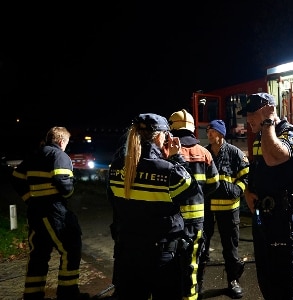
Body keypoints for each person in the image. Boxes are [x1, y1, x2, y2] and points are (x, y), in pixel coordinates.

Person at [107, 113, 203, 300]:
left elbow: (113, 203)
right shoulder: (168, 171)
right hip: (162, 256)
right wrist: (177, 159)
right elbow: (192, 191)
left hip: (128, 254)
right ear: (161, 136)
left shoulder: (116, 167)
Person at [11, 126, 90, 300]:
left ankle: (32, 295)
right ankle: (68, 293)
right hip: (54, 211)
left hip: (35, 211)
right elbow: (63, 182)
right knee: (71, 247)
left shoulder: (34, 154)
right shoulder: (59, 155)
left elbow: (16, 178)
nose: (66, 146)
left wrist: (29, 198)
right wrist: (68, 193)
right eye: (66, 143)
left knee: (39, 253)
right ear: (61, 141)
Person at [243, 93, 293, 300]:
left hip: (282, 215)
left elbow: (272, 159)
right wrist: (247, 191)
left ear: (267, 110)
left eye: (252, 113)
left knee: (282, 282)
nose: (248, 119)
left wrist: (268, 121)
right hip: (262, 213)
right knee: (266, 276)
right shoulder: (261, 137)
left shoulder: (292, 134)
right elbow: (257, 169)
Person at [168, 109, 220, 299]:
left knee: (170, 266)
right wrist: (198, 196)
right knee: (192, 265)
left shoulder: (167, 152)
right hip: (197, 219)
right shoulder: (204, 153)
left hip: (173, 220)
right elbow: (215, 184)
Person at [198, 119, 249, 299]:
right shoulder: (203, 153)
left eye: (212, 131)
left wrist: (237, 191)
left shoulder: (235, 153)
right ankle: (198, 283)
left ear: (221, 134)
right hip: (206, 208)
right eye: (208, 131)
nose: (208, 133)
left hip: (229, 209)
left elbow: (246, 176)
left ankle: (233, 281)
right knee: (202, 247)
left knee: (230, 247)